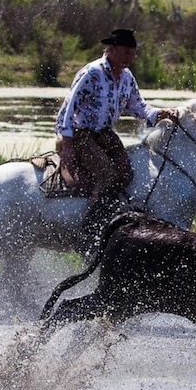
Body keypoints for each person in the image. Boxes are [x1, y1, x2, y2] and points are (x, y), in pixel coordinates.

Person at [55, 28, 178, 242]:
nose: (130, 58)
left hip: (105, 134)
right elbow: (68, 107)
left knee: (126, 173)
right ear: (111, 50)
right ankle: (91, 230)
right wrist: (67, 144)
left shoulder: (127, 77)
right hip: (82, 134)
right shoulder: (92, 73)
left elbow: (138, 107)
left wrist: (160, 114)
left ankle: (111, 215)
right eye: (126, 52)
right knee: (107, 174)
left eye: (133, 53)